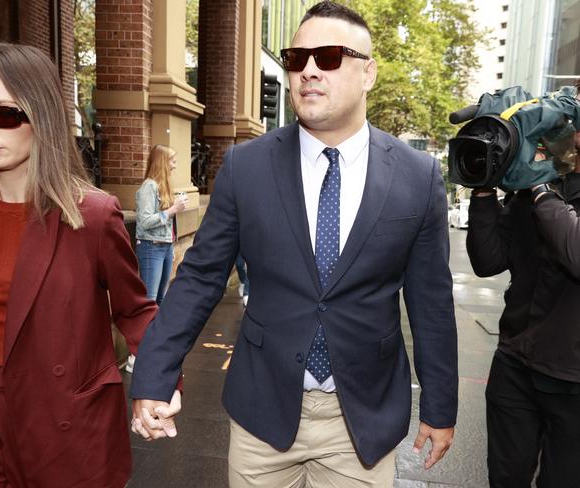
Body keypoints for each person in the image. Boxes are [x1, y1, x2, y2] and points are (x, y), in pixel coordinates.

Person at [130, 2, 458, 486]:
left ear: (368, 72)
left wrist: (440, 404)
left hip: (362, 418)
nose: (307, 70)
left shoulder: (417, 175)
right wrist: (155, 376)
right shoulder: (246, 167)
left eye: (326, 57)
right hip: (262, 411)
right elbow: (200, 276)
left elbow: (430, 300)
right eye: (296, 58)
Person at [0, 43, 169, 487]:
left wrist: (158, 382)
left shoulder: (93, 216)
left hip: (60, 417)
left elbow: (135, 310)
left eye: (3, 114)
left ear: (40, 116)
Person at [466, 84, 580, 488]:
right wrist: (483, 184)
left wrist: (538, 185)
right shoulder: (535, 183)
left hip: (573, 382)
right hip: (515, 365)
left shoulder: (540, 186)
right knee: (505, 479)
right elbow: (487, 261)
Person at [126, 145, 187, 373]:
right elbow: (143, 222)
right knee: (149, 301)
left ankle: (152, 350)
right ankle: (135, 355)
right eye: (171, 160)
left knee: (161, 300)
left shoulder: (163, 186)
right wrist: (172, 210)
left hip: (164, 247)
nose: (174, 164)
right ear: (161, 161)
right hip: (151, 248)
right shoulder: (148, 188)